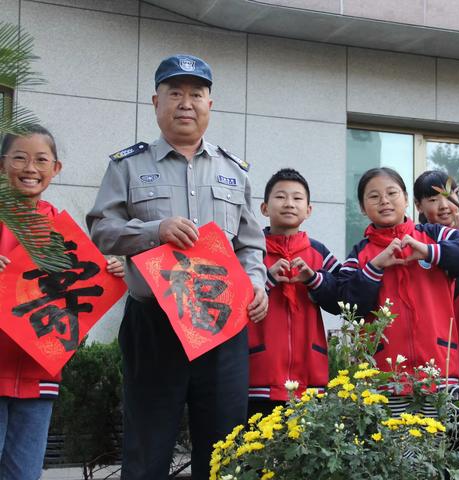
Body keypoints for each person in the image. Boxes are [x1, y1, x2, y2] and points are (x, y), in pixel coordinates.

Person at [86, 54, 268, 480]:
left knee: (224, 449)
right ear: (156, 101)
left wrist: (256, 285)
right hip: (155, 323)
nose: (186, 103)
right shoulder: (127, 165)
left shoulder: (233, 170)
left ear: (210, 104)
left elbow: (250, 244)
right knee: (147, 447)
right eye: (175, 93)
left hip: (222, 324)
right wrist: (155, 230)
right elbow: (101, 229)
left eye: (196, 94)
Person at [0, 125, 124, 480]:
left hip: (40, 374)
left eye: (41, 160)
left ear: (56, 169)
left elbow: (82, 285)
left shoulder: (60, 227)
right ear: (1, 165)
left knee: (24, 472)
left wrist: (110, 269)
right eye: (19, 158)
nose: (30, 168)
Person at [337, 167, 459, 417]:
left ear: (405, 199)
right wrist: (374, 267)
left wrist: (429, 252)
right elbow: (344, 299)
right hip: (383, 376)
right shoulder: (360, 253)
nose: (384, 201)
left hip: (438, 372)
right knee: (393, 451)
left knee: (438, 452)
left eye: (392, 193)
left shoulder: (433, 236)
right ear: (362, 207)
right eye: (373, 196)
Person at [248, 168, 341, 417]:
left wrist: (314, 279)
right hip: (259, 377)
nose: (289, 203)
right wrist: (267, 280)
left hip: (310, 377)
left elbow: (342, 299)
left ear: (308, 210)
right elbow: (232, 302)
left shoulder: (318, 252)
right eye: (280, 197)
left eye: (297, 198)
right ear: (264, 208)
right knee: (259, 452)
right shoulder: (251, 251)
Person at [414, 170, 459, 479]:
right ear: (418, 205)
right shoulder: (417, 240)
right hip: (437, 360)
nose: (443, 205)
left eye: (449, 196)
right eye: (432, 198)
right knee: (437, 439)